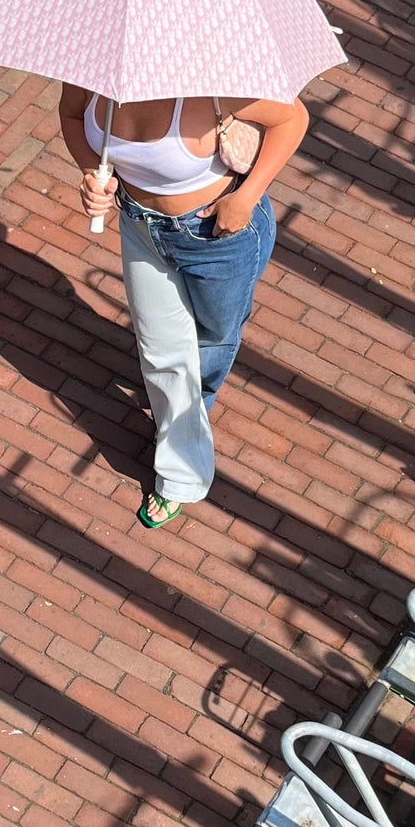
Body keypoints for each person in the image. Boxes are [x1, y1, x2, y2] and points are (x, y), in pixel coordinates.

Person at [59, 87, 309, 528]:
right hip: (140, 227)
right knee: (161, 349)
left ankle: (195, 410)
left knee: (212, 338)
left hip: (218, 236)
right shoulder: (98, 66)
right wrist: (89, 173)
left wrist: (247, 197)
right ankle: (180, 473)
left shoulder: (209, 81)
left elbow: (293, 119)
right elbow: (72, 113)